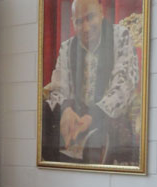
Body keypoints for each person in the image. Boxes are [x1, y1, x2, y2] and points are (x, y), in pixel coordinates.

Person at [42, 0, 139, 165]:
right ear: (72, 22)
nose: (86, 28)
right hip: (74, 119)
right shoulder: (67, 47)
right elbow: (59, 88)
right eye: (79, 21)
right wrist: (66, 110)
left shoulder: (120, 36)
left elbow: (124, 85)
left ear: (101, 12)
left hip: (106, 118)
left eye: (90, 17)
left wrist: (92, 117)